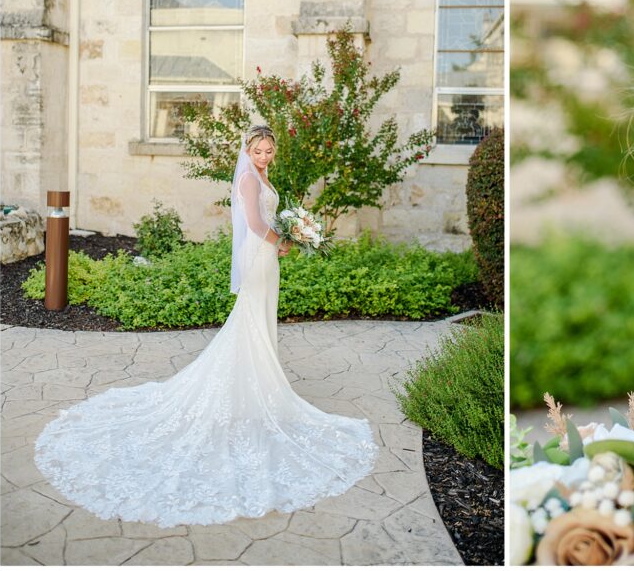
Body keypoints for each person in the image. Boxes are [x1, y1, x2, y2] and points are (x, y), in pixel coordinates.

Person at [34, 124, 377, 527]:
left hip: (267, 259)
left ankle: (257, 386)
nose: (264, 156)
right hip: (258, 256)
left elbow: (267, 216)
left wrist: (290, 231)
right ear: (247, 149)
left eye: (269, 150)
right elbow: (253, 222)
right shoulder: (249, 178)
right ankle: (253, 390)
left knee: (258, 321)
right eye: (258, 150)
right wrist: (282, 241)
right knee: (248, 322)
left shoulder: (262, 174)